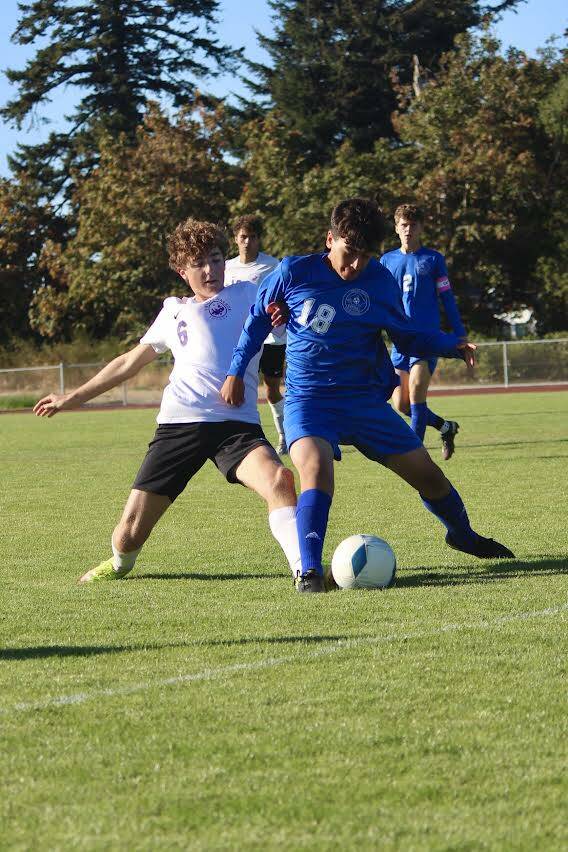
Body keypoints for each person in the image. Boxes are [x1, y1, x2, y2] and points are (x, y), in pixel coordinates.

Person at [221, 198, 514, 594]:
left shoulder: (378, 280)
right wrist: (237, 371)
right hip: (309, 399)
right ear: (330, 239)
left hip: (363, 401)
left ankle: (462, 534)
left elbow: (406, 334)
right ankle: (308, 572)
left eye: (364, 256)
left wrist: (451, 344)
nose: (355, 265)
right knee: (315, 470)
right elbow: (257, 320)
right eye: (349, 252)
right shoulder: (292, 271)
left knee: (428, 474)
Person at [33, 218, 301, 584]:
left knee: (280, 480)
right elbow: (128, 363)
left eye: (217, 258)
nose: (211, 270)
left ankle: (306, 571)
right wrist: (71, 397)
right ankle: (118, 565)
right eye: (199, 263)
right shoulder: (174, 310)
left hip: (236, 427)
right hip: (179, 426)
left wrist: (281, 316)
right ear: (181, 271)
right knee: (127, 536)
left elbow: (292, 319)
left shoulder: (251, 295)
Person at [380, 204, 466, 460]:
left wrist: (459, 333)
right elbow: (379, 301)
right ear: (396, 228)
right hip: (400, 342)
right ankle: (446, 427)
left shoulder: (433, 259)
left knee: (417, 392)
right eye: (403, 225)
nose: (408, 230)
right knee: (401, 404)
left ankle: (414, 456)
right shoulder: (386, 261)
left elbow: (447, 299)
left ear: (421, 228)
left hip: (426, 340)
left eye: (413, 225)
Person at [224, 214, 288, 455]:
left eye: (252, 237)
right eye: (243, 237)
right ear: (236, 239)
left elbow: (283, 297)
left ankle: (284, 436)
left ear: (259, 239)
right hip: (239, 338)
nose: (247, 241)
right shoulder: (227, 267)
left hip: (271, 337)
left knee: (271, 389)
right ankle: (243, 440)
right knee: (238, 384)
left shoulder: (272, 265)